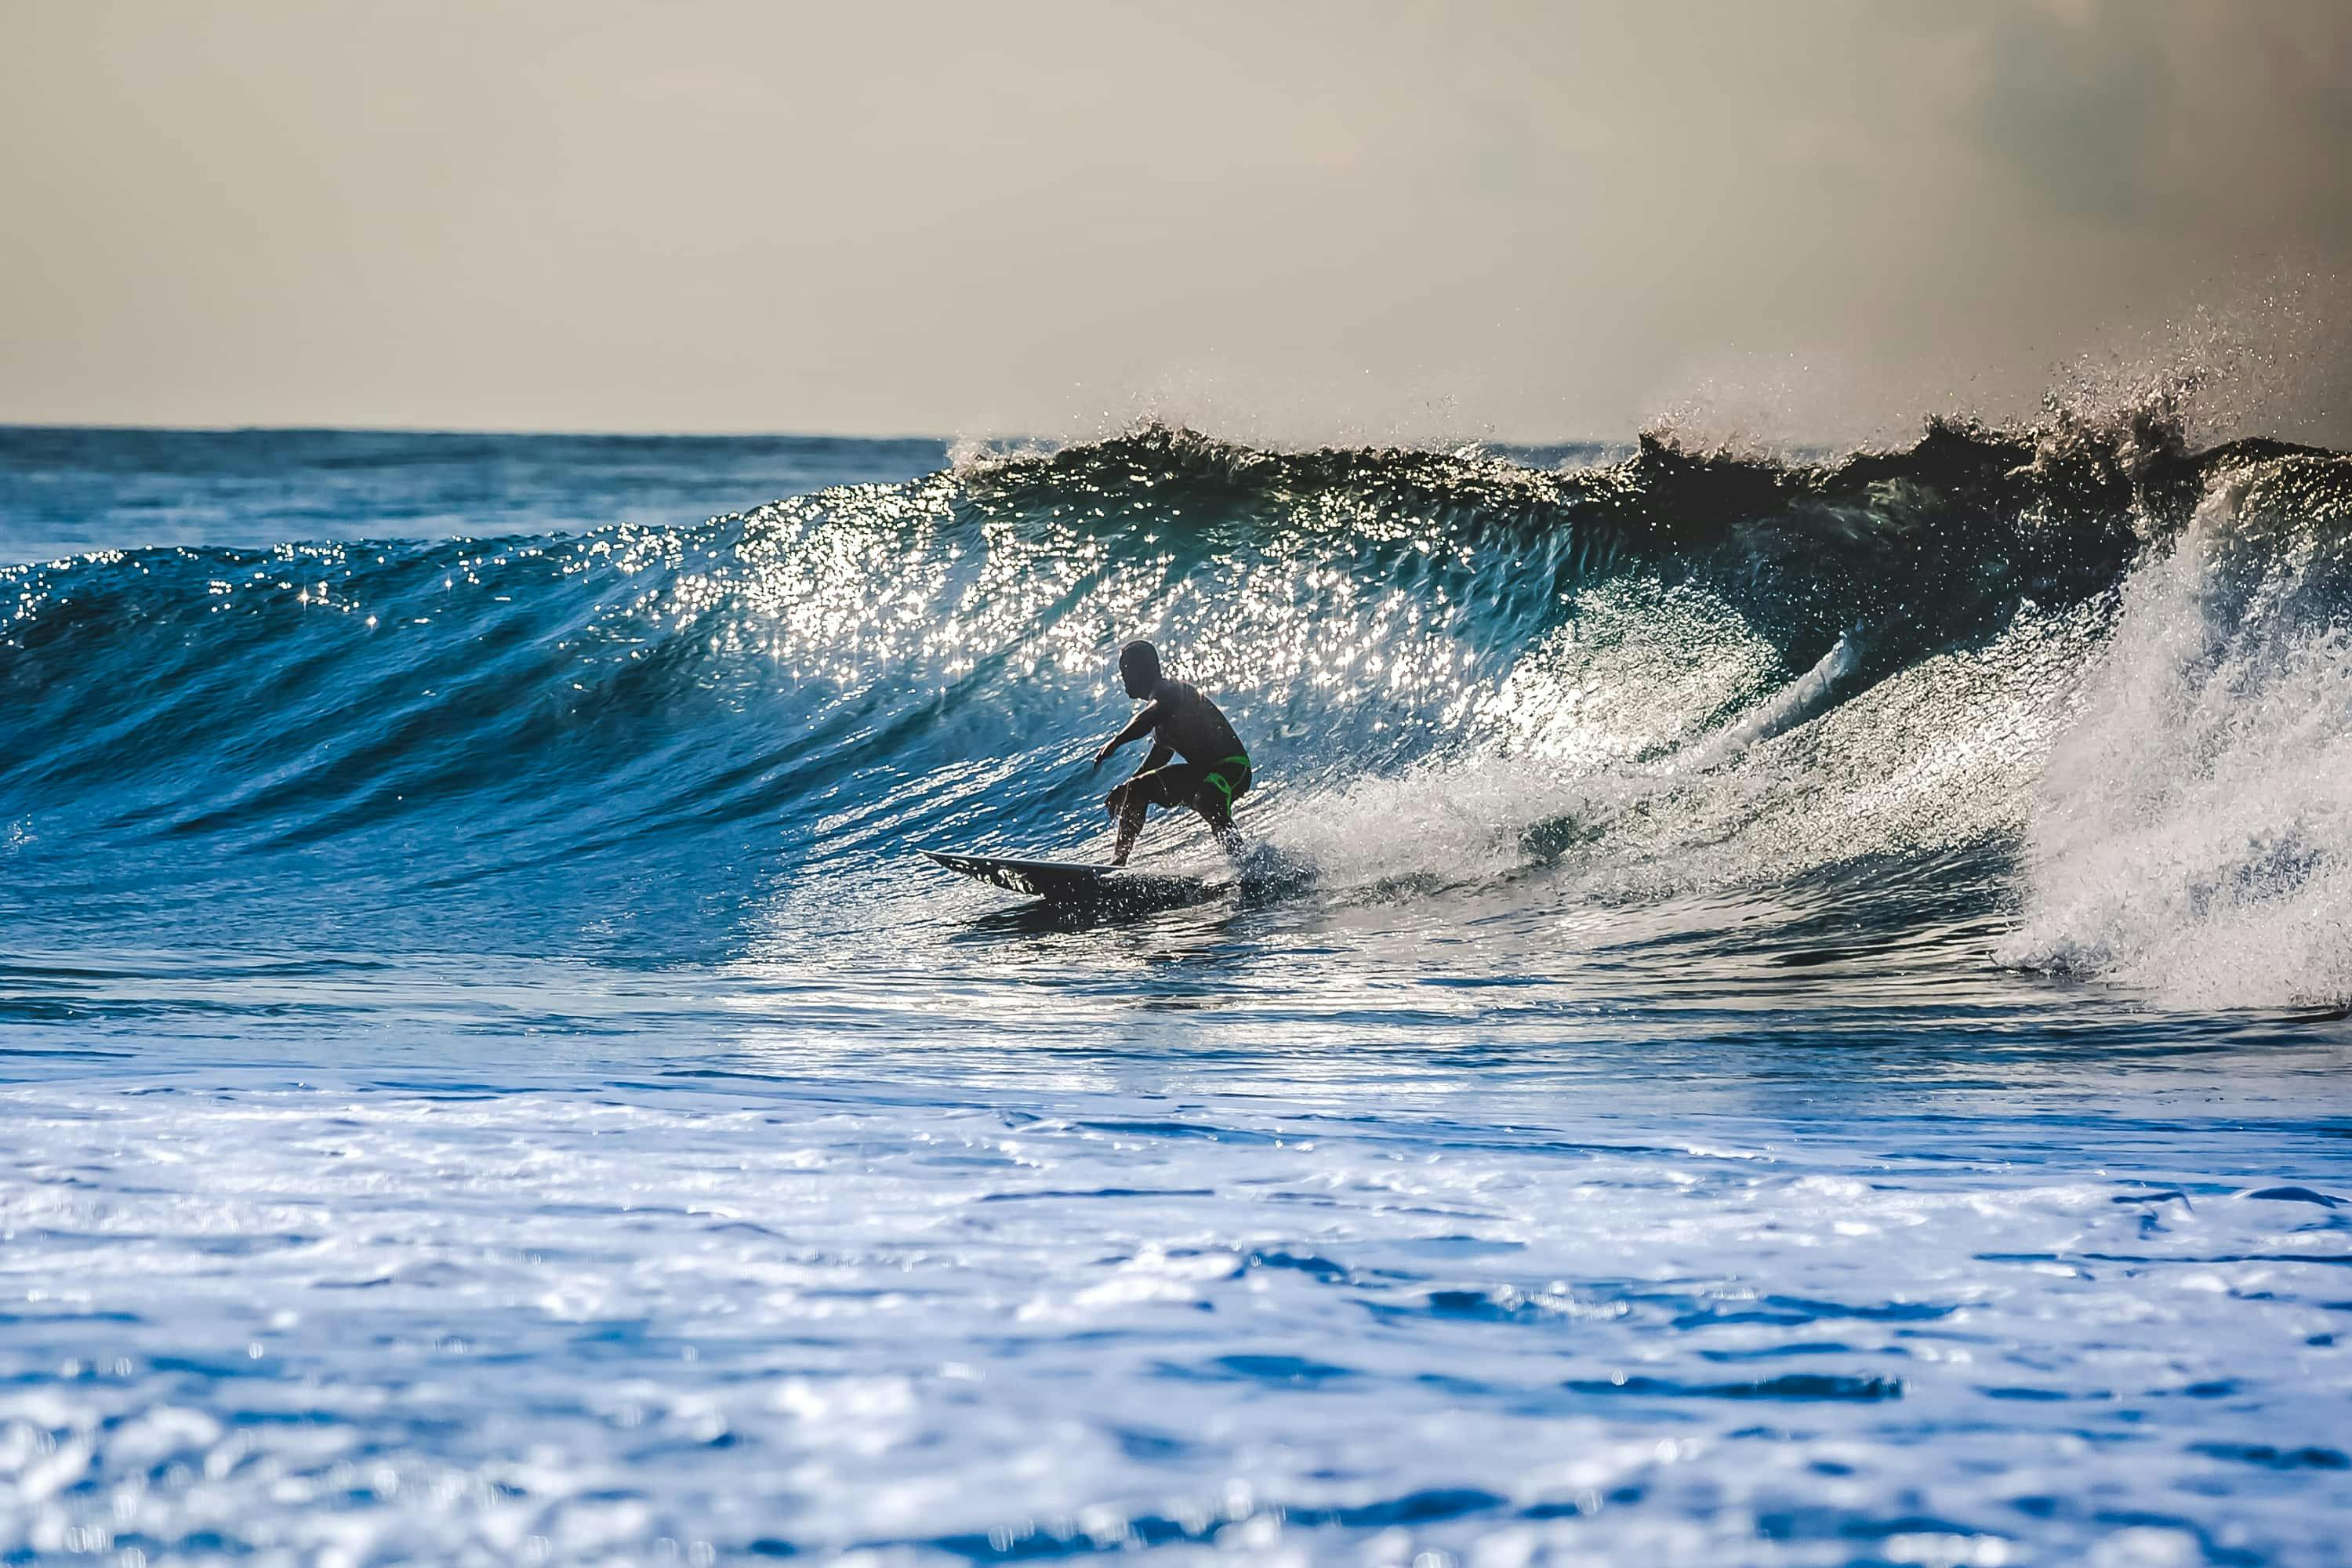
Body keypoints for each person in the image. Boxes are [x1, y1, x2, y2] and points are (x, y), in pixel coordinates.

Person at [1091, 640, 1251, 866]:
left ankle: (1246, 865)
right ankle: (1118, 863)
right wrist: (1127, 787)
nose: (1122, 678)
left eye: (1124, 671)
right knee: (1138, 789)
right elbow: (1159, 757)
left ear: (1139, 670)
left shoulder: (1169, 690)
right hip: (1202, 774)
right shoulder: (1162, 721)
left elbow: (1149, 716)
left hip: (1232, 768)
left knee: (1208, 797)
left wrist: (1116, 742)